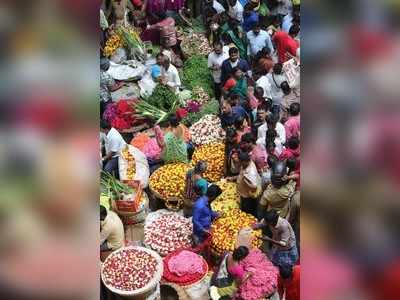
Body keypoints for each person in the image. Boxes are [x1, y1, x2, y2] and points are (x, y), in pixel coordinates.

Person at [229, 151, 261, 218]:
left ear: (244, 161)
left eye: (240, 162)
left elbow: (254, 187)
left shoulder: (250, 172)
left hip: (248, 196)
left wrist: (244, 180)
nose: (239, 164)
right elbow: (241, 174)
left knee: (248, 212)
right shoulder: (245, 164)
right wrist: (233, 178)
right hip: (243, 193)